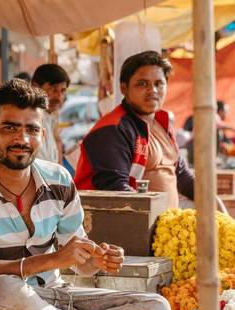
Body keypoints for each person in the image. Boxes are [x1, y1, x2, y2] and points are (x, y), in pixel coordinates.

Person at [0, 79, 172, 310]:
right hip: (0, 306)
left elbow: (80, 264)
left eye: (31, 129)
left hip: (57, 296)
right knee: (1, 288)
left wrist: (96, 258)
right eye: (10, 128)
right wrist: (51, 260)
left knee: (157, 309)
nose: (22, 139)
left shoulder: (59, 180)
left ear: (42, 135)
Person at [74, 50, 194, 209]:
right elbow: (115, 190)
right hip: (123, 228)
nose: (153, 90)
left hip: (163, 228)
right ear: (124, 88)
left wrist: (211, 199)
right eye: (142, 83)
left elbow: (181, 176)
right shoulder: (112, 130)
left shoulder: (162, 123)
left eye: (159, 83)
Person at [31, 64, 69, 164]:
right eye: (53, 89)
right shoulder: (30, 119)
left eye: (62, 91)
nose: (59, 96)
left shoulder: (50, 118)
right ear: (35, 87)